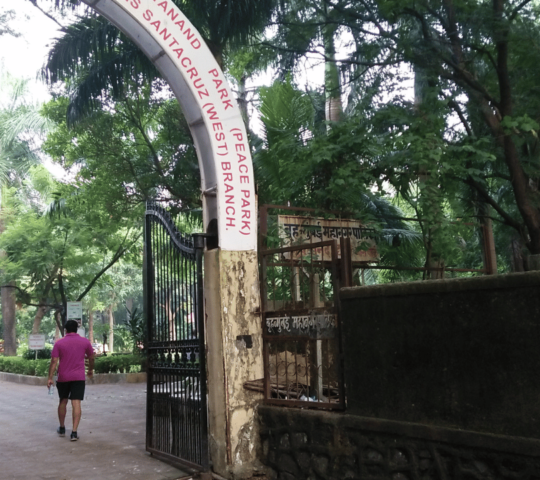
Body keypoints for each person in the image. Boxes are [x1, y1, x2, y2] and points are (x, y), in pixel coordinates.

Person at [47, 320, 94, 441]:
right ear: (77, 329)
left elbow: (54, 361)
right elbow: (91, 357)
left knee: (63, 401)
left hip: (63, 377)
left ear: (65, 330)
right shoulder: (85, 342)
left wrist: (50, 377)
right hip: (78, 377)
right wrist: (90, 370)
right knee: (76, 403)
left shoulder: (59, 343)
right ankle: (74, 432)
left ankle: (62, 428)